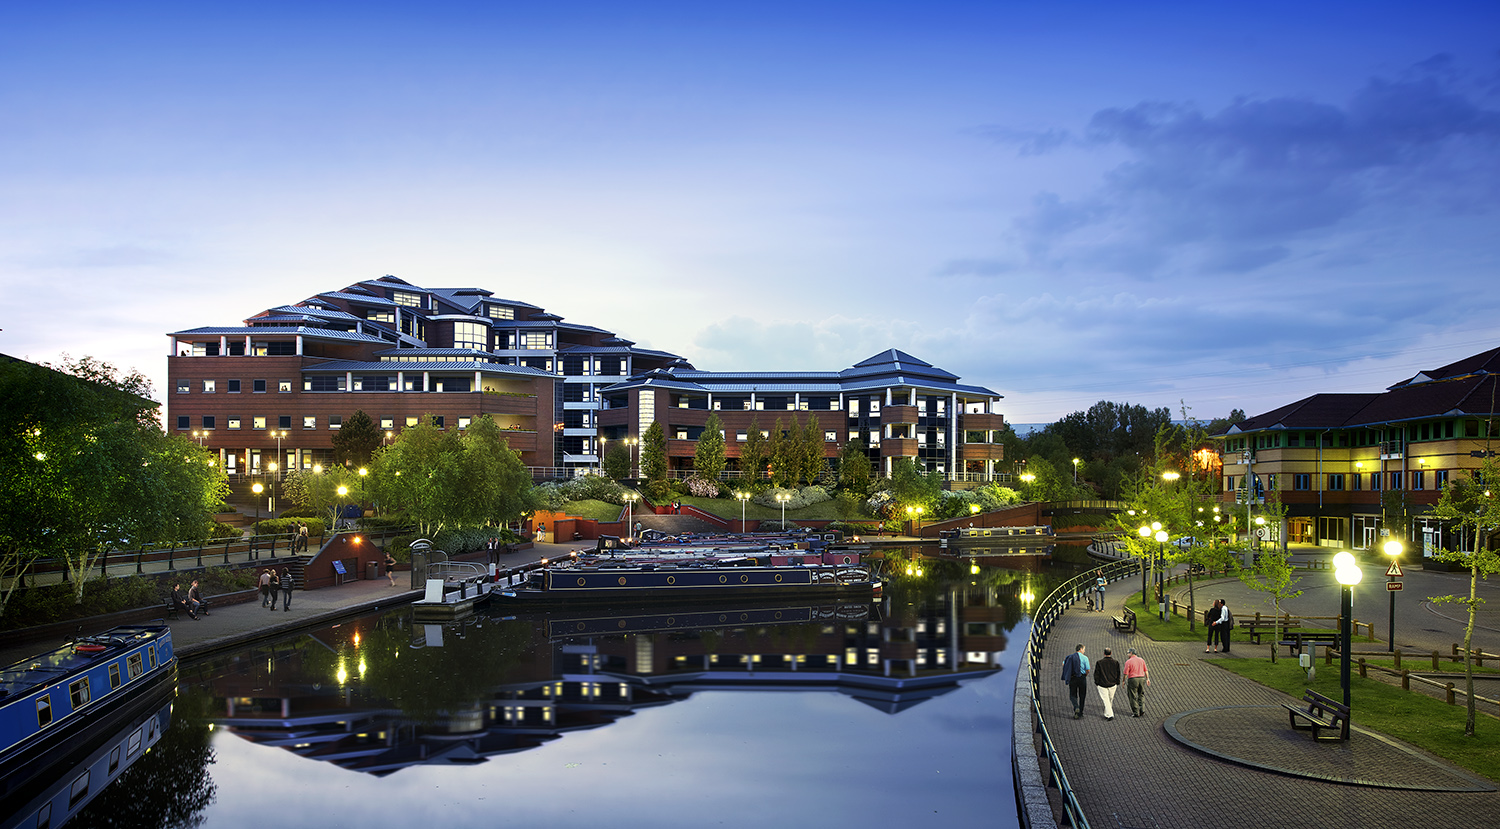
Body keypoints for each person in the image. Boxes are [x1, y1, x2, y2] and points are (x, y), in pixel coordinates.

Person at [1060, 643, 1090, 719]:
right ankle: (1080, 712)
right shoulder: (1085, 658)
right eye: (1084, 649)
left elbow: (1064, 664)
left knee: (1073, 695)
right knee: (1082, 695)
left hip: (1073, 678)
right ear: (1080, 649)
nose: (1084, 651)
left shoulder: (1070, 657)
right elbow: (1088, 669)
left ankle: (1076, 707)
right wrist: (1085, 675)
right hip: (1082, 678)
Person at [1093, 647, 1122, 720]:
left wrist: (1097, 682)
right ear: (1111, 653)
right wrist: (1117, 681)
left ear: (1104, 653)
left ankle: (1108, 713)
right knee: (1110, 699)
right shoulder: (1116, 662)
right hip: (1113, 684)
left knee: (1106, 700)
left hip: (1102, 684)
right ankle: (1110, 714)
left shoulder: (1099, 663)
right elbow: (1118, 673)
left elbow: (1096, 674)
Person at [1124, 647, 1151, 717]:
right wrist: (1147, 678)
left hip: (1133, 679)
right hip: (1142, 679)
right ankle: (1142, 709)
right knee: (1141, 694)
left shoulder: (1128, 662)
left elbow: (1125, 673)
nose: (1127, 654)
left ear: (1131, 653)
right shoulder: (1141, 660)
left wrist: (1123, 680)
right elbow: (1146, 670)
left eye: (1128, 653)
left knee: (1132, 695)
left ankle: (1136, 712)